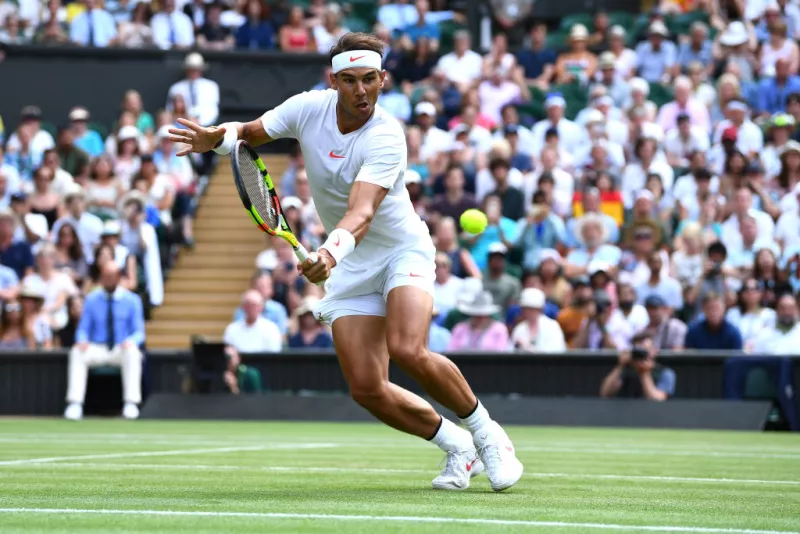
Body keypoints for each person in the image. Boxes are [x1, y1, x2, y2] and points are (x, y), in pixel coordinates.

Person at [169, 32, 524, 492]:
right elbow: (249, 133)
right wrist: (215, 139)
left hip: (400, 250)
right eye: (350, 80)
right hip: (352, 266)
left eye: (370, 79)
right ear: (333, 81)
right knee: (366, 388)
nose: (361, 91)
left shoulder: (387, 136)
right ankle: (458, 446)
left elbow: (362, 212)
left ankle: (488, 435)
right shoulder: (306, 108)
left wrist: (327, 253)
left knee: (408, 348)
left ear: (384, 79)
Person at [64, 262, 145, 421]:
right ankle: (75, 404)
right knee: (76, 352)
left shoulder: (133, 300)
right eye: (105, 276)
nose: (108, 279)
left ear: (119, 277)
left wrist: (131, 341)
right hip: (98, 348)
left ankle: (131, 403)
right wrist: (82, 340)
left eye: (111, 276)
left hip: (121, 348)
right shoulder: (91, 299)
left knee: (133, 353)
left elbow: (139, 333)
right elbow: (83, 329)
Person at [599, 332, 676, 401]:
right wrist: (620, 366)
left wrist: (644, 374)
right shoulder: (626, 370)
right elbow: (605, 393)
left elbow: (658, 401)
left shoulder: (665, 373)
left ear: (654, 351)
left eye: (645, 350)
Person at [510, 288, 566, 353]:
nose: (529, 312)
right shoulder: (519, 329)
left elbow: (556, 352)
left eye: (533, 309)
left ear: (540, 309)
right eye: (526, 308)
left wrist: (527, 347)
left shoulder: (552, 326)